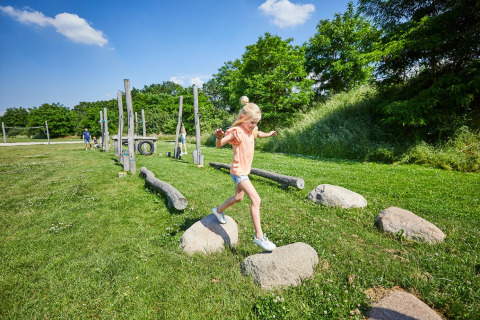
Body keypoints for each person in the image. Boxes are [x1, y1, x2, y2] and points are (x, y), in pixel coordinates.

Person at [212, 96, 277, 251]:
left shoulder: (251, 130)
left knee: (238, 198)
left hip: (243, 172)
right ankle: (259, 237)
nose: (254, 126)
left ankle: (218, 210)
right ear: (242, 118)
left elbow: (258, 133)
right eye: (252, 122)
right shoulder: (236, 132)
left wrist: (268, 134)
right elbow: (219, 144)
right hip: (238, 172)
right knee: (256, 199)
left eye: (256, 123)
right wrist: (219, 137)